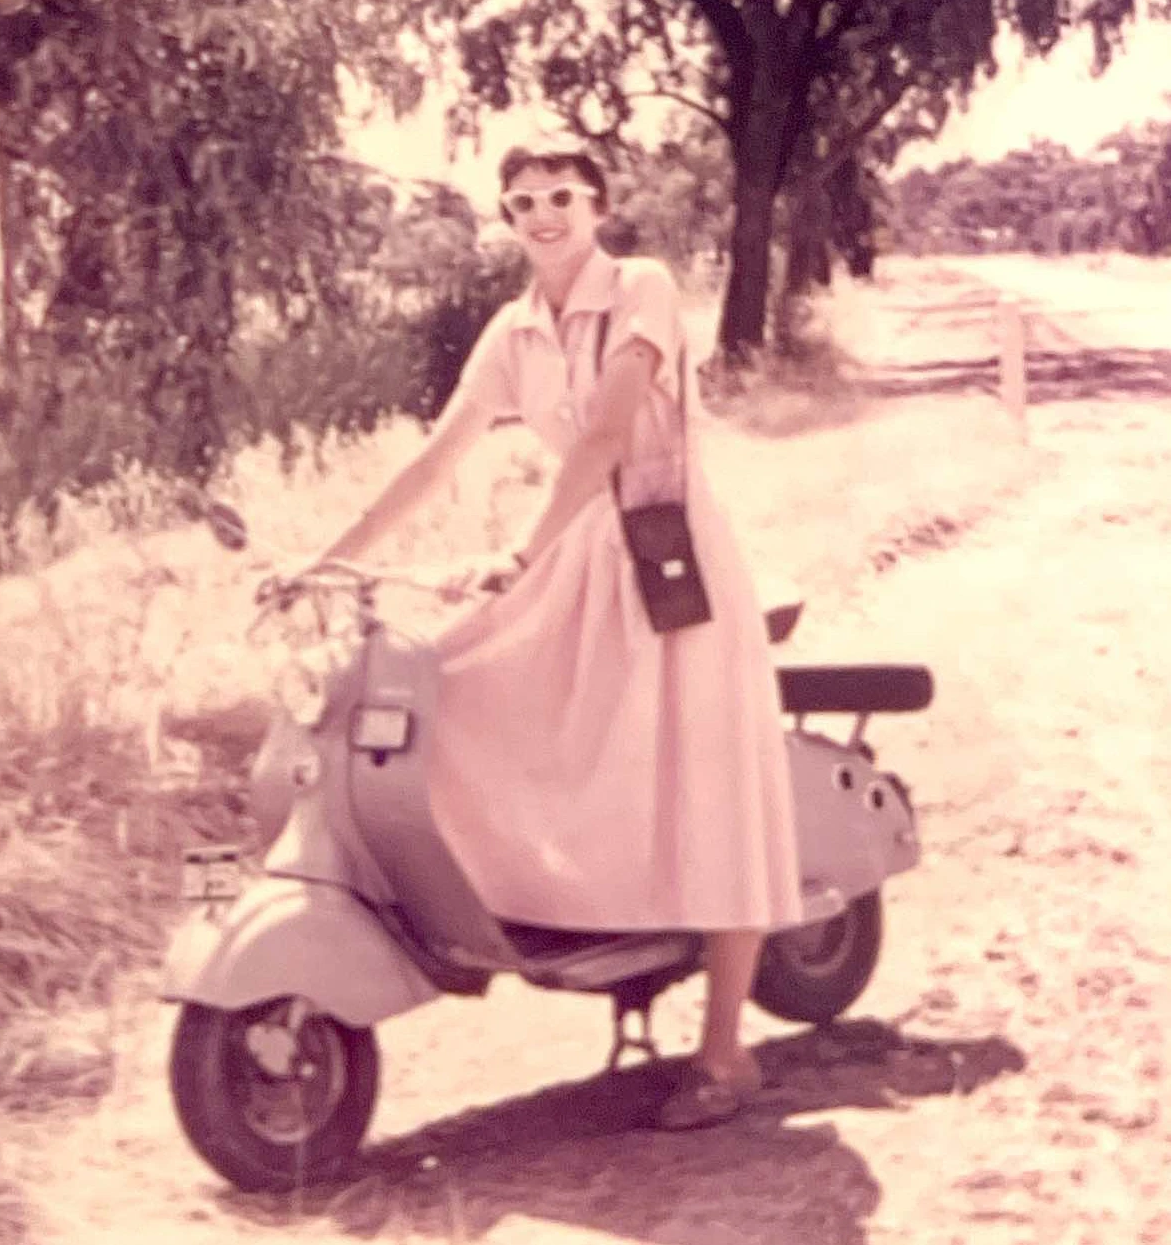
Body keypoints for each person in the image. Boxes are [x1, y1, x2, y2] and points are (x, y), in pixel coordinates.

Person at [309, 140, 806, 1131]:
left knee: (709, 789)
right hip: (577, 551)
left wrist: (525, 551)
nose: (543, 214)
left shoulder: (642, 288)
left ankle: (723, 1052)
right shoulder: (512, 331)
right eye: (524, 200)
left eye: (563, 196)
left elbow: (611, 432)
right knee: (447, 688)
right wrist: (330, 554)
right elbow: (439, 453)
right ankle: (536, 919)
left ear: (599, 204)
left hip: (669, 555)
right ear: (507, 214)